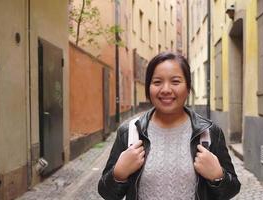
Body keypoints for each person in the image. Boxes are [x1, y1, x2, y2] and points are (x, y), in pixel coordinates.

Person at [98, 52, 241, 200]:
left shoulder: (209, 133)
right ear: (148, 87)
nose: (166, 89)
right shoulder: (129, 133)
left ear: (188, 87)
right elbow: (106, 193)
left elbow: (232, 189)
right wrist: (119, 174)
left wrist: (217, 176)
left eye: (175, 81)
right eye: (157, 82)